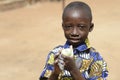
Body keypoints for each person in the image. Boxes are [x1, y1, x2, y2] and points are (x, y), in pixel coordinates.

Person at [39, 1, 108, 80]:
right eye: (69, 26)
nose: (74, 32)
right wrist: (55, 73)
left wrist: (73, 70)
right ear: (63, 26)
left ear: (90, 27)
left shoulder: (95, 58)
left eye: (81, 27)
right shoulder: (55, 54)